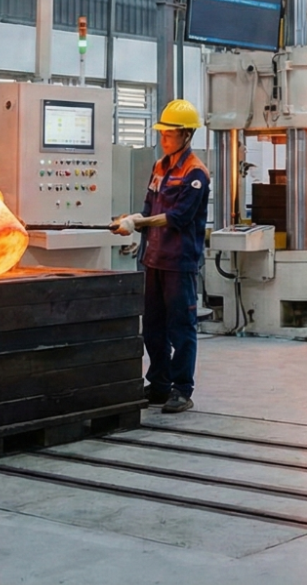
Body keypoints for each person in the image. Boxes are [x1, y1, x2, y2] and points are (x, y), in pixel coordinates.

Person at [112, 99, 208, 415]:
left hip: (179, 262)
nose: (163, 139)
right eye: (162, 133)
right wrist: (130, 221)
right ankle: (159, 384)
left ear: (186, 134)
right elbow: (150, 209)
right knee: (152, 327)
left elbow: (177, 217)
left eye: (169, 134)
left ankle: (182, 389)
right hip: (153, 259)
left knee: (180, 328)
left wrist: (138, 222)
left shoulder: (196, 174)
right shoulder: (159, 167)